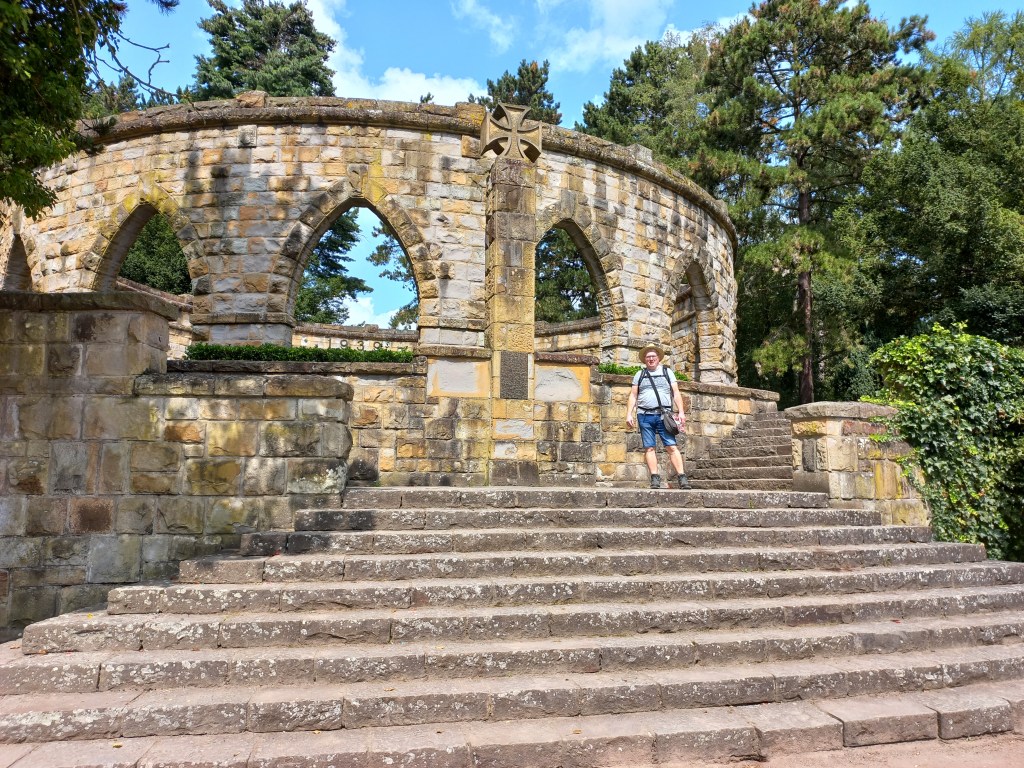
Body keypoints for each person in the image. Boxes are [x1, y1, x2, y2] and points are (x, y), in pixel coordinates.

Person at [625, 344, 690, 489]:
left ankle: (682, 477)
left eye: (653, 356)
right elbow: (633, 395)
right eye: (648, 357)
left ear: (658, 358)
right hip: (644, 415)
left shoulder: (667, 372)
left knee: (671, 446)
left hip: (663, 416)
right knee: (649, 448)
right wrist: (629, 414)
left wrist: (681, 412)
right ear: (644, 359)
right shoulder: (639, 374)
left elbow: (676, 393)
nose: (651, 359)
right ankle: (654, 478)